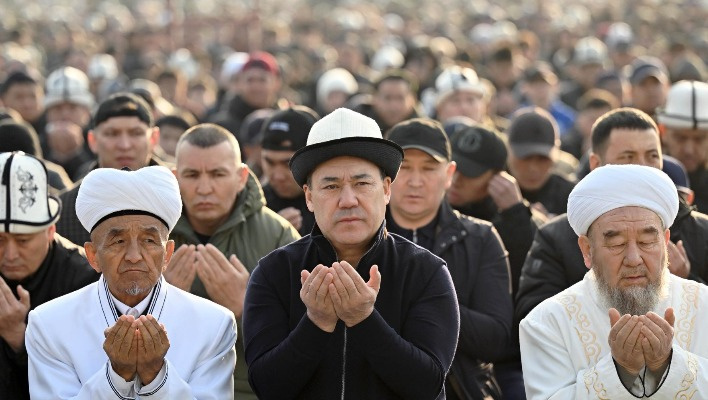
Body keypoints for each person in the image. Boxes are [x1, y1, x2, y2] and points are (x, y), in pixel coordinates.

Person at [242, 108, 459, 399]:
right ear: (309, 196)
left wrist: (364, 319)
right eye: (331, 186)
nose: (348, 200)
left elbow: (427, 385)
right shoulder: (275, 271)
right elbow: (266, 386)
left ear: (386, 190)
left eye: (362, 184)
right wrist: (317, 323)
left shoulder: (425, 271)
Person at [25, 166, 237, 399]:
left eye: (149, 240)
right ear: (93, 256)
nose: (134, 255)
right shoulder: (49, 325)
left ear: (167, 254)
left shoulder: (214, 325)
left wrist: (156, 377)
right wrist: (116, 377)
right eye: (118, 241)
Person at [520, 164, 708, 398]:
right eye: (617, 244)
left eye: (647, 241)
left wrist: (669, 365)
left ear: (665, 241)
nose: (633, 259)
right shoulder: (546, 323)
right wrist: (620, 371)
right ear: (587, 250)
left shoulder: (704, 305)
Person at [517, 108, 708, 327]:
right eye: (628, 157)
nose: (642, 167)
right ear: (595, 164)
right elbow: (535, 321)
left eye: (652, 156)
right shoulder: (556, 237)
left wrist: (683, 282)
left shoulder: (701, 231)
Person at [167, 122, 300, 399]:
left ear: (241, 177)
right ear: (175, 178)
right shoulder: (152, 234)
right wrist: (159, 302)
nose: (204, 188)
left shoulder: (278, 235)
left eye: (218, 174)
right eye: (192, 175)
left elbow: (303, 339)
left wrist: (246, 308)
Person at [385, 118, 512, 399]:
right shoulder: (356, 237)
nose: (415, 181)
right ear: (384, 173)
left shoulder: (480, 238)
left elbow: (495, 338)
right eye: (404, 167)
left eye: (429, 168)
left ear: (449, 174)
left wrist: (423, 299)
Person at [0, 152, 98, 400]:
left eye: (23, 240)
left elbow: (87, 382)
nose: (10, 254)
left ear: (50, 230)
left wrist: (18, 338)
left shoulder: (85, 280)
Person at [56, 92, 164, 246]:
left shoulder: (183, 196)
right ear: (93, 140)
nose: (125, 145)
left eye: (136, 133)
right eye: (112, 134)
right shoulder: (64, 210)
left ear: (154, 138)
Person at [506, 108, 576, 218]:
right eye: (525, 158)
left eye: (543, 159)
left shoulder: (572, 198)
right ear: (508, 151)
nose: (533, 167)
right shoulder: (486, 191)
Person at [260, 106, 319, 235]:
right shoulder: (252, 208)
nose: (278, 176)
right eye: (270, 163)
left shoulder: (338, 203)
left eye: (288, 164)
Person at [657, 80, 708, 213]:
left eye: (699, 139)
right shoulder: (649, 181)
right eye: (680, 138)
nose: (689, 149)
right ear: (663, 131)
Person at [351, 70, 424, 134]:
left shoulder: (423, 129)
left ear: (413, 99)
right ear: (374, 98)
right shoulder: (357, 123)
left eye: (400, 98)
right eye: (387, 98)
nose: (394, 106)